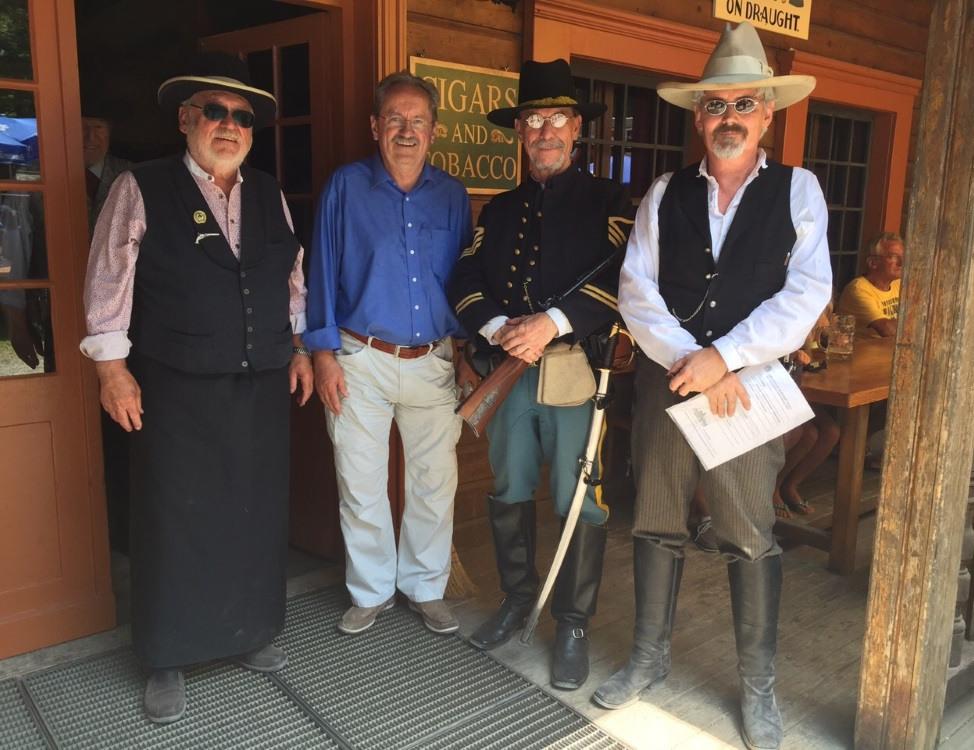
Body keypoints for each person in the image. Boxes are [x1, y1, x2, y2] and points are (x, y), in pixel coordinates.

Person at [593, 23, 832, 750]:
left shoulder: (798, 190)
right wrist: (687, 363)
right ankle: (648, 658)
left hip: (746, 390)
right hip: (669, 385)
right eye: (716, 105)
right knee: (656, 521)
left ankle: (757, 690)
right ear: (698, 116)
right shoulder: (664, 192)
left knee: (748, 536)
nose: (730, 117)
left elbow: (807, 294)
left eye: (744, 104)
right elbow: (635, 290)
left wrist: (723, 360)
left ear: (768, 114)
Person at [80, 51, 313, 725]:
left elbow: (290, 277)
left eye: (242, 116)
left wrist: (299, 346)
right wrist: (111, 369)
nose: (229, 125)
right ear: (186, 119)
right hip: (174, 388)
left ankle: (248, 632)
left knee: (252, 512)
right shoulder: (142, 186)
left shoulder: (268, 192)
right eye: (215, 111)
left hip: (260, 381)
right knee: (174, 519)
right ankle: (166, 654)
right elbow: (109, 279)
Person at [449, 59, 634, 691]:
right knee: (509, 486)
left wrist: (551, 322)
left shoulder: (610, 200)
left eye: (557, 119)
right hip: (508, 370)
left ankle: (573, 624)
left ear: (577, 128)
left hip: (576, 372)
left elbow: (624, 279)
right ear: (520, 131)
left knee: (578, 496)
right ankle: (516, 599)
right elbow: (465, 278)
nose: (545, 131)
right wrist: (499, 325)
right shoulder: (499, 210)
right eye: (533, 120)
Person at [303, 72, 471, 637]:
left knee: (435, 483)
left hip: (435, 360)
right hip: (360, 358)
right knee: (360, 482)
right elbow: (321, 270)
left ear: (434, 131)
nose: (406, 130)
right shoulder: (346, 187)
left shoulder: (452, 196)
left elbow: (464, 281)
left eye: (418, 120)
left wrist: (466, 354)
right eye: (395, 119)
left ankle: (426, 588)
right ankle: (371, 590)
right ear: (375, 126)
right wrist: (323, 354)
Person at [81, 92, 133, 552]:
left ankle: (121, 528)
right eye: (80, 124)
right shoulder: (37, 172)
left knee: (119, 428)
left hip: (123, 328)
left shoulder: (131, 178)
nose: (88, 135)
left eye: (97, 125)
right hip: (62, 315)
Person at [773, 303, 841, 518]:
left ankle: (790, 484)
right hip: (779, 389)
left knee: (831, 431)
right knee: (808, 433)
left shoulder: (817, 309)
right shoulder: (783, 308)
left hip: (799, 386)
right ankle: (774, 487)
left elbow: (823, 339)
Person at [837, 231, 903, 339]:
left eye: (902, 256)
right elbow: (887, 330)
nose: (901, 262)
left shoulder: (898, 284)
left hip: (888, 348)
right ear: (873, 263)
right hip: (862, 349)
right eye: (893, 257)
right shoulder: (858, 289)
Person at [82, 95, 131, 233]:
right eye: (81, 127)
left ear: (109, 132)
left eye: (98, 127)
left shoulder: (132, 175)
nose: (91, 137)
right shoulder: (40, 179)